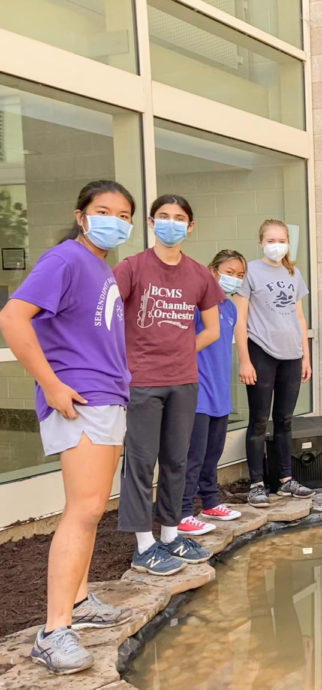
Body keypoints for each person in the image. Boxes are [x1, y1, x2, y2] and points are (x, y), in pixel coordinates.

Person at [0, 181, 135, 674]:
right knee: (85, 509)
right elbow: (13, 318)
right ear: (81, 216)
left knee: (90, 510)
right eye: (103, 211)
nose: (115, 220)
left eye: (123, 214)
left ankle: (79, 602)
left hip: (105, 397)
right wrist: (51, 385)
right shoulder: (64, 259)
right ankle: (53, 631)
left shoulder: (98, 267)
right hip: (81, 400)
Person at [115, 194, 221, 575]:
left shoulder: (199, 274)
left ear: (190, 227)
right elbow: (107, 319)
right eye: (163, 216)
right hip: (141, 382)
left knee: (176, 460)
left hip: (183, 380)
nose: (171, 223)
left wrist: (181, 349)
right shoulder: (131, 267)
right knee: (141, 463)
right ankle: (144, 545)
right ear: (150, 222)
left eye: (179, 218)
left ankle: (170, 535)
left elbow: (212, 329)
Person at [235, 220, 315, 507]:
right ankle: (257, 483)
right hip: (261, 352)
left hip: (291, 355)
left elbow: (300, 318)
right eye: (270, 240)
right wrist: (244, 360)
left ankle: (285, 480)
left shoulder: (293, 273)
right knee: (258, 421)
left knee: (284, 420)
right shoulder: (251, 272)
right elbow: (240, 319)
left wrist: (306, 356)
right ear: (261, 243)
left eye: (281, 240)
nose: (276, 245)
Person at [177, 250, 247, 535]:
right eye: (229, 272)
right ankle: (181, 513)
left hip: (220, 394)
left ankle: (210, 503)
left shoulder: (229, 309)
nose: (234, 279)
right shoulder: (193, 305)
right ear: (213, 269)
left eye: (240, 275)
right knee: (192, 456)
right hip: (197, 393)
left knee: (212, 453)